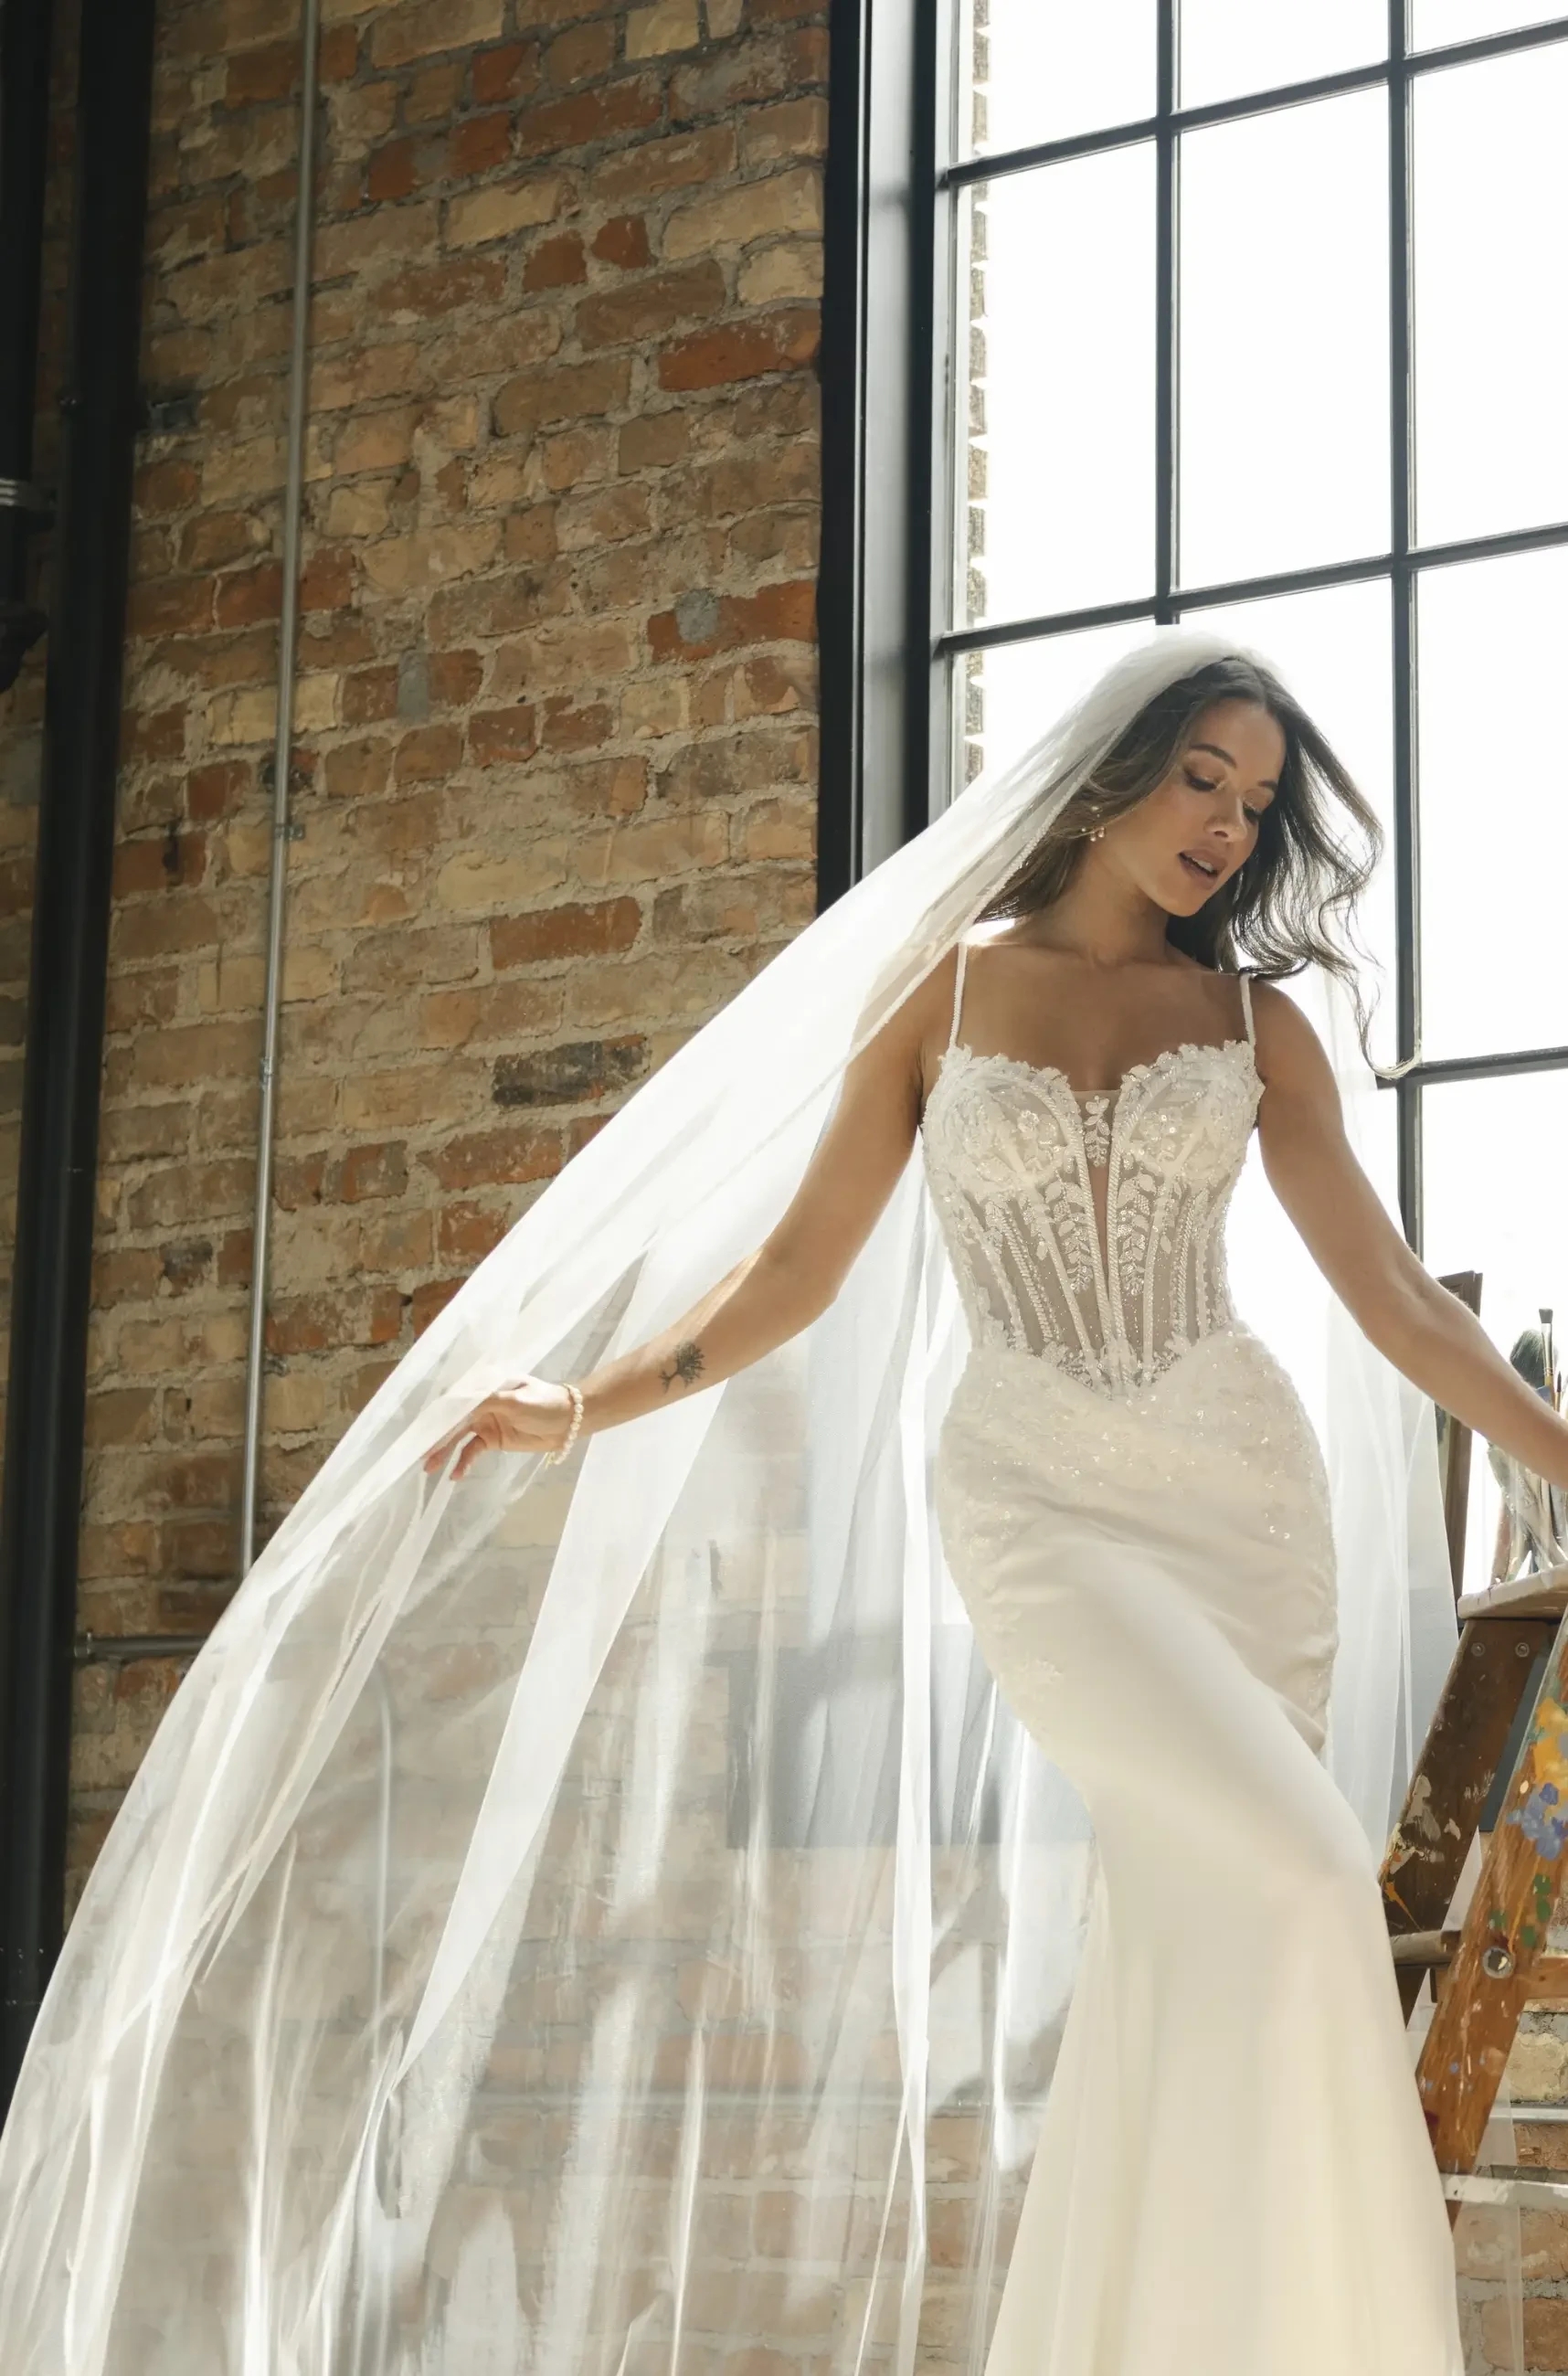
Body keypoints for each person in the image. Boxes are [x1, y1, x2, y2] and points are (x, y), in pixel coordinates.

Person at [3, 629, 1562, 2372]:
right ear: (1113, 773)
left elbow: (1399, 1300)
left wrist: (1564, 1461)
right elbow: (797, 1272)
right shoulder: (945, 993)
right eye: (1202, 778)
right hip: (1040, 1500)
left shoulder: (1251, 1022)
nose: (1223, 826)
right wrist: (583, 1402)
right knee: (1296, 1877)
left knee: (1208, 1927)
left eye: (1256, 805)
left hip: (1239, 1505)